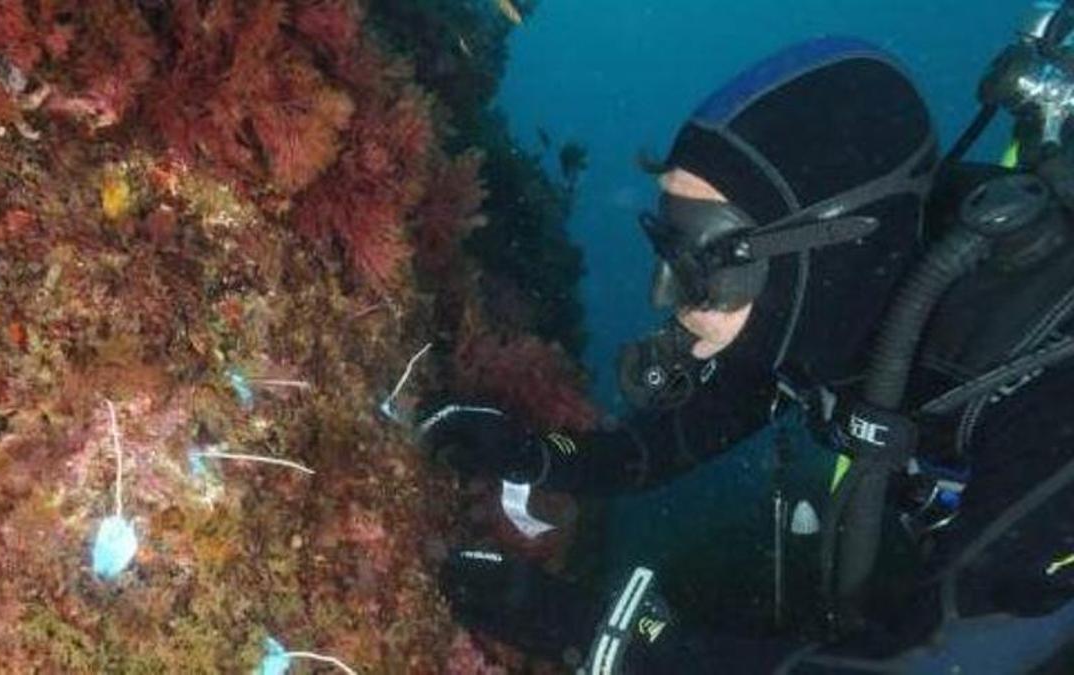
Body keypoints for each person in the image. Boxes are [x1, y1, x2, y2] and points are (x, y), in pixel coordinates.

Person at [420, 27, 1074, 674]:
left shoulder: (1049, 382)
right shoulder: (843, 303)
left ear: (828, 254)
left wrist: (609, 642)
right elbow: (693, 426)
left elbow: (957, 658)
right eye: (667, 248)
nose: (663, 293)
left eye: (705, 259)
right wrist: (546, 458)